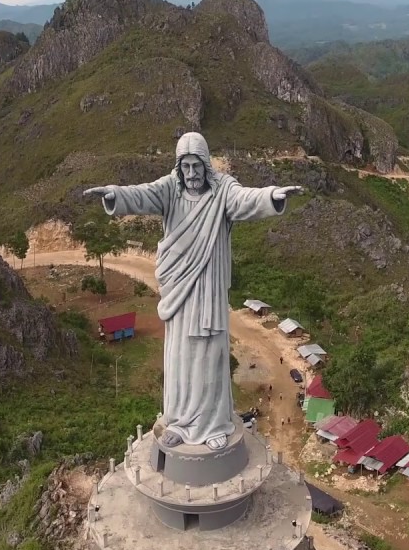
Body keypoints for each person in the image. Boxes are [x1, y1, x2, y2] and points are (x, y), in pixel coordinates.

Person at [84, 132, 302, 451]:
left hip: (209, 290)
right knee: (181, 357)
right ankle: (179, 423)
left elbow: (245, 200)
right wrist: (114, 194)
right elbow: (142, 195)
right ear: (178, 167)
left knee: (209, 357)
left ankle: (213, 424)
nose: (190, 173)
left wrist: (272, 197)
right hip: (179, 290)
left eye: (196, 166)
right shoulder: (169, 189)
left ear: (205, 164)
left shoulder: (222, 190)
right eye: (184, 166)